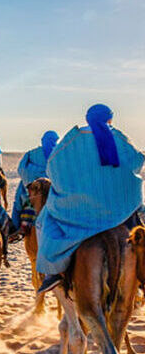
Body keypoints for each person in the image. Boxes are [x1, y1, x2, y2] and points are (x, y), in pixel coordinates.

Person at [37, 104, 145, 293]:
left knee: (45, 222)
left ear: (87, 119)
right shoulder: (119, 137)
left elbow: (52, 168)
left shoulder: (70, 141)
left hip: (78, 210)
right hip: (119, 209)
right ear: (110, 119)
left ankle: (53, 273)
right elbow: (137, 162)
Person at [10, 131, 58, 233]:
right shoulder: (59, 153)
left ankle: (14, 228)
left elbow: (21, 169)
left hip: (31, 186)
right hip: (53, 186)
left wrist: (30, 178)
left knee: (18, 202)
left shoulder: (31, 153)